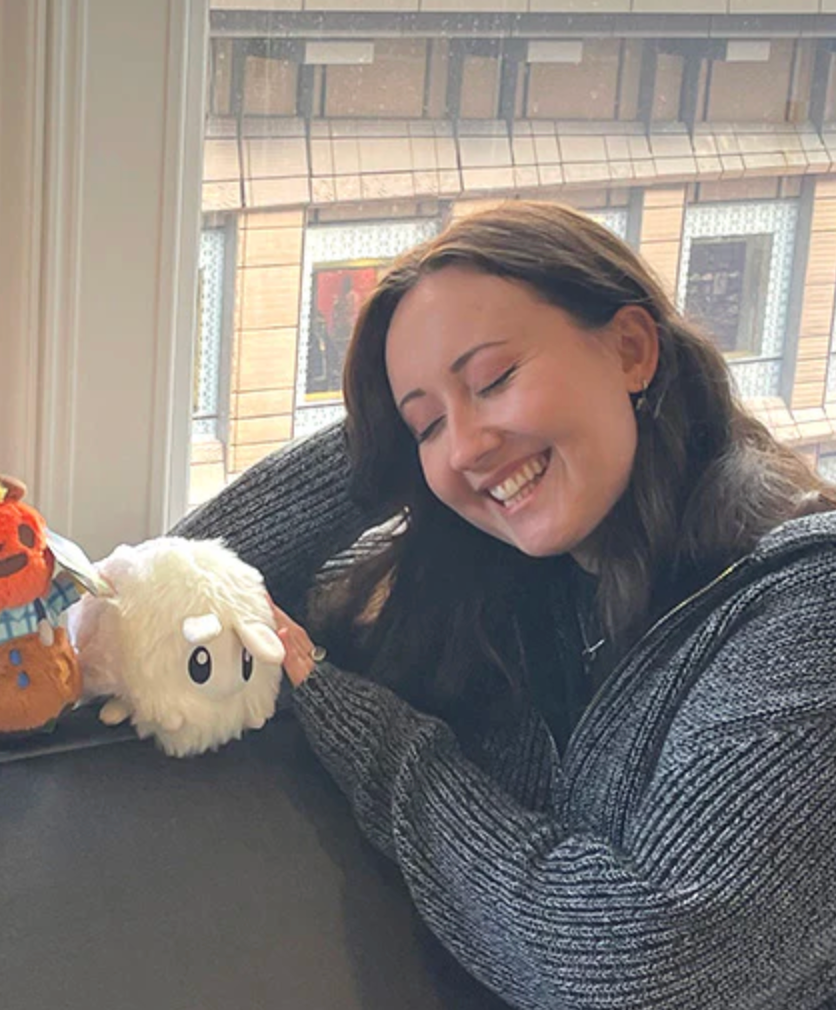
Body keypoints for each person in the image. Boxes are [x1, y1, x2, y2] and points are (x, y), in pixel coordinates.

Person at [172, 201, 836, 1009]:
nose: (466, 448)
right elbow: (191, 586)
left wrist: (373, 740)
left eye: (493, 380)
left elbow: (637, 971)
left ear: (631, 349)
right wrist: (384, 439)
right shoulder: (526, 582)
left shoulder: (807, 607)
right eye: (427, 428)